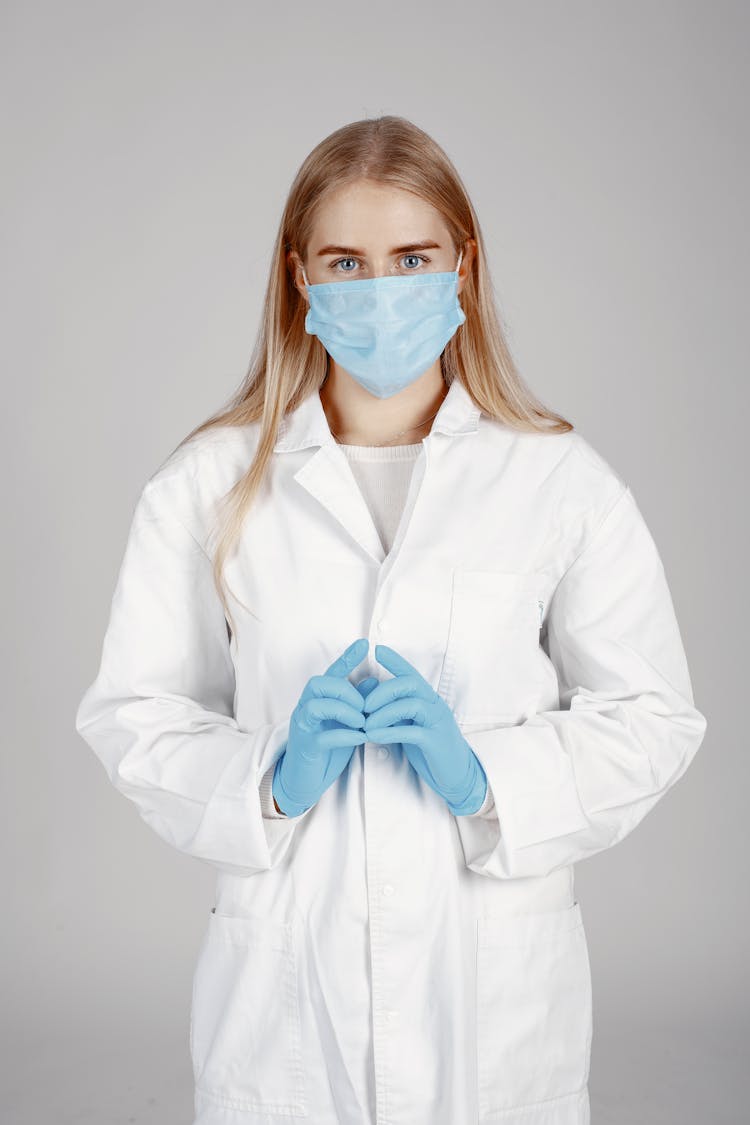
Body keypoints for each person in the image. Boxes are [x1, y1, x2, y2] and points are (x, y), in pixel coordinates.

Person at [74, 115, 707, 1125]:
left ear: (463, 266)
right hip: (287, 990)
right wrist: (268, 781)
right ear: (299, 276)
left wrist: (486, 778)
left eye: (411, 258)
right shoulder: (206, 486)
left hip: (490, 990)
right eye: (346, 262)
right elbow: (134, 716)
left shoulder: (557, 481)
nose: (380, 291)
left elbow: (654, 717)